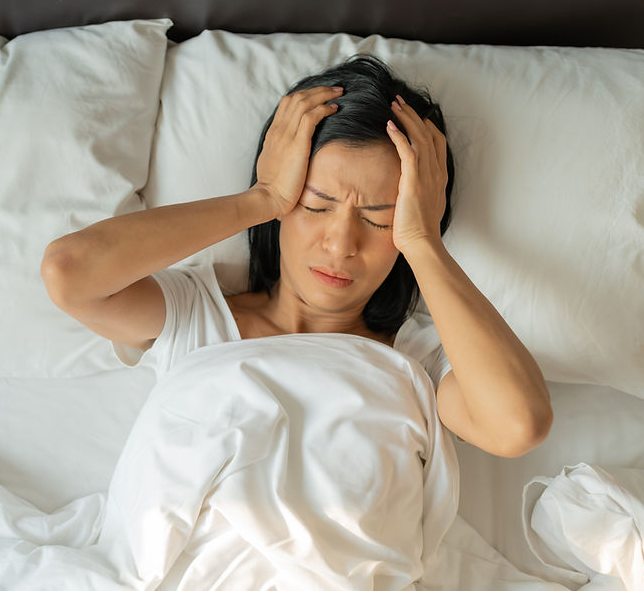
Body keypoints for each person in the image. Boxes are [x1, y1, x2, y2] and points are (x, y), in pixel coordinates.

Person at [41, 54, 552, 458]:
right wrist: (257, 200)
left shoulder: (420, 361)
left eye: (379, 218)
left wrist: (423, 241)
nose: (340, 243)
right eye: (315, 204)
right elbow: (70, 273)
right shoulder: (195, 315)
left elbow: (517, 425)